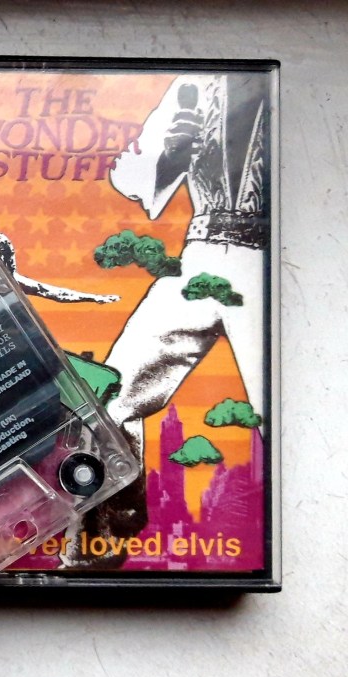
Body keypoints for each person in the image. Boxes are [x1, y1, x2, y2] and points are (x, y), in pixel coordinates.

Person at [61, 72, 271, 568]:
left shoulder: (286, 91)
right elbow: (130, 176)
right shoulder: (195, 84)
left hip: (265, 261)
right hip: (200, 253)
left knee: (275, 412)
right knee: (112, 397)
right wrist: (171, 154)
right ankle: (102, 542)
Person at [0, 202, 118, 304]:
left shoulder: (1, 240)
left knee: (51, 291)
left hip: (8, 285)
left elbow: (12, 270)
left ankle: (95, 298)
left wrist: (12, 286)